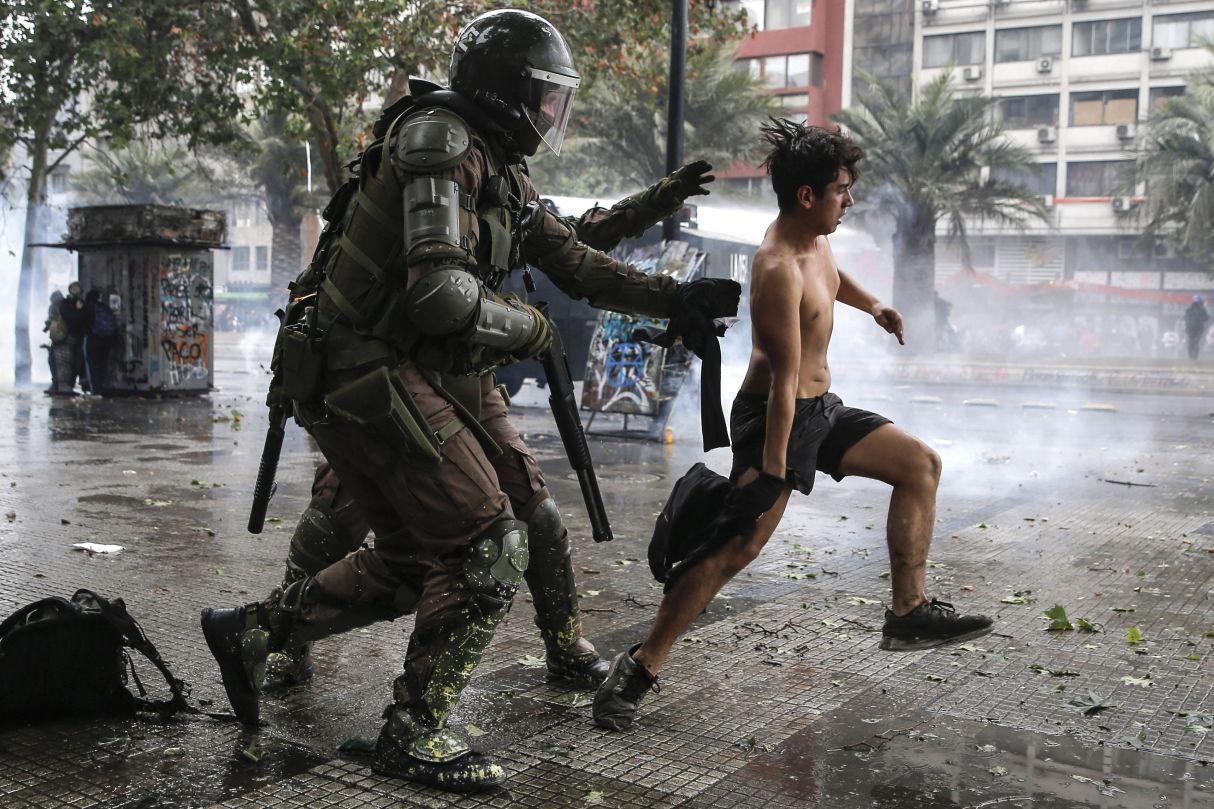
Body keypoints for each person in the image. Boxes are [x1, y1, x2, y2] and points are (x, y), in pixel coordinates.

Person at [200, 9, 736, 793]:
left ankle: (251, 634)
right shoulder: (439, 144)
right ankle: (409, 729)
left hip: (413, 369)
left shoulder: (499, 165)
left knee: (435, 553)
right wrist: (533, 329)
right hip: (365, 370)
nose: (553, 113)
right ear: (508, 92)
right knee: (484, 544)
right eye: (545, 96)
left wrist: (674, 297)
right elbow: (440, 297)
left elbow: (575, 256)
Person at [593, 120, 993, 731]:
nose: (849, 200)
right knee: (737, 548)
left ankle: (907, 611)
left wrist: (876, 305)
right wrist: (772, 471)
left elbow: (832, 282)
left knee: (921, 465)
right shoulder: (776, 265)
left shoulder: (817, 240)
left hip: (818, 407)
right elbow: (782, 382)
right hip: (772, 416)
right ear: (806, 196)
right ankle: (639, 668)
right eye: (840, 190)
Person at [266, 151, 716, 690]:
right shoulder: (433, 156)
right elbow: (421, 289)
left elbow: (573, 245)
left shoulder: (501, 174)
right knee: (337, 516)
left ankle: (566, 646)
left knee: (539, 517)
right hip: (390, 373)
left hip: (465, 368)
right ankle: (278, 641)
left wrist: (657, 209)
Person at [84, 289, 119, 394]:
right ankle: (103, 387)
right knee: (102, 364)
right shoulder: (104, 307)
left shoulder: (89, 307)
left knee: (93, 365)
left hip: (94, 339)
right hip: (107, 340)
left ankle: (96, 389)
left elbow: (86, 323)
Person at [57, 282, 89, 394]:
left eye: (78, 289)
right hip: (68, 336)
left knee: (78, 361)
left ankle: (79, 383)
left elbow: (84, 317)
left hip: (79, 335)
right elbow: (69, 316)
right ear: (70, 289)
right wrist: (78, 311)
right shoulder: (65, 303)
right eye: (75, 288)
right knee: (67, 361)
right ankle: (67, 385)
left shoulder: (81, 303)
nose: (77, 291)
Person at [43, 291, 67, 394]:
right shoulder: (65, 306)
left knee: (56, 362)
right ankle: (58, 385)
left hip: (61, 338)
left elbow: (52, 320)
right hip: (59, 338)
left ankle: (58, 385)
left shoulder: (61, 307)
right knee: (55, 362)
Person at [1184, 294, 1210, 361]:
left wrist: (1187, 326)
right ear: (1201, 301)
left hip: (1190, 328)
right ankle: (1194, 357)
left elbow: (1185, 318)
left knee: (1190, 341)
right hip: (1199, 328)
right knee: (1196, 342)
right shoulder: (1202, 309)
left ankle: (1190, 357)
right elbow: (1207, 318)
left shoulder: (1189, 308)